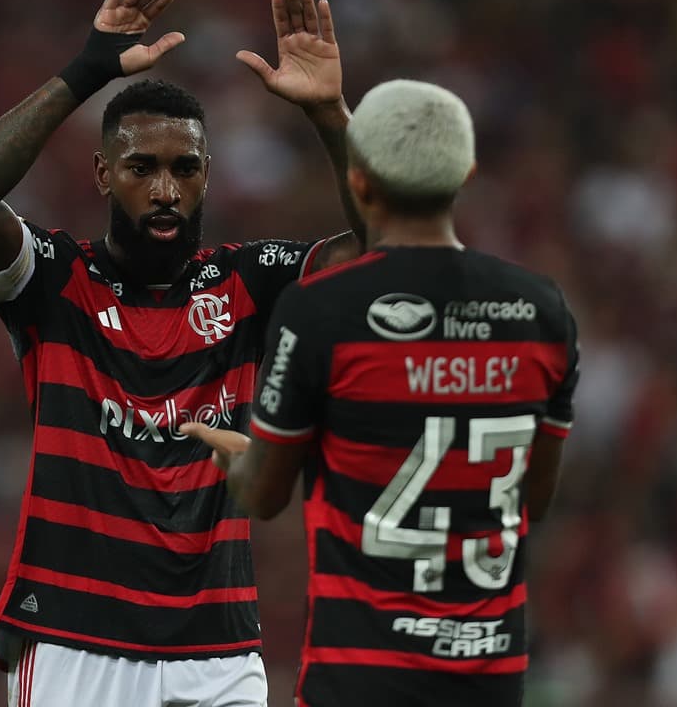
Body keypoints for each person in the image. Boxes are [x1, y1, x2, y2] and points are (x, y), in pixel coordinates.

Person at [0, 0, 361, 707]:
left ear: (207, 176)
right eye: (142, 168)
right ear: (102, 174)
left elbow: (389, 254)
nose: (166, 189)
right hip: (75, 641)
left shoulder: (250, 282)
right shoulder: (55, 280)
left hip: (219, 647)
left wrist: (331, 116)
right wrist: (88, 69)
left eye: (185, 168)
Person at [184, 80, 580, 707]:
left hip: (359, 678)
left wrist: (238, 456)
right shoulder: (541, 311)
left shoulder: (320, 310)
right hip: (489, 677)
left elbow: (263, 493)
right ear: (467, 173)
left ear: (360, 182)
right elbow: (535, 497)